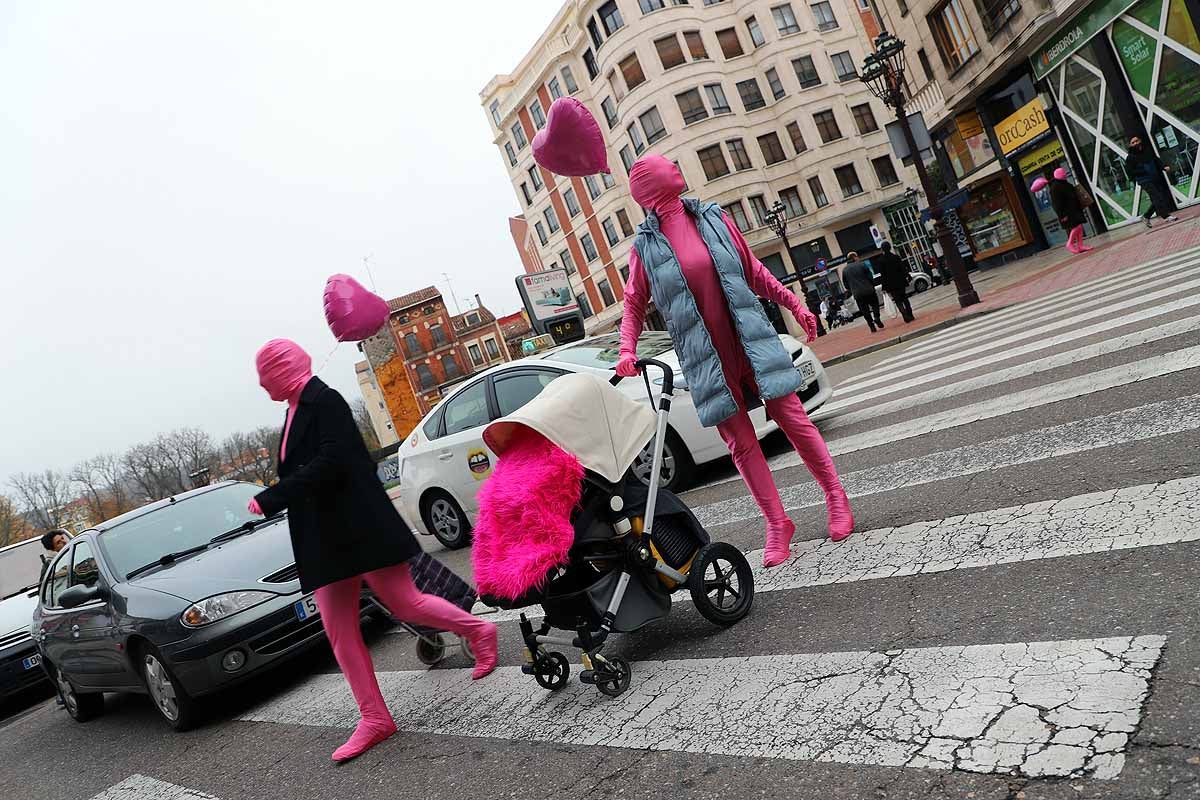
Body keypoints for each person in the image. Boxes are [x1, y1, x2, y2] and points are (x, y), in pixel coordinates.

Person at [247, 339, 498, 763]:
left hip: (361, 529)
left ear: (282, 369)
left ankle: (478, 630)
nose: (261, 384)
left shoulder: (323, 400)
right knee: (339, 632)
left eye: (264, 374)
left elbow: (335, 461)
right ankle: (375, 717)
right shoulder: (293, 411)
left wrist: (276, 495)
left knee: (406, 602)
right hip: (326, 540)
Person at [617, 155, 853, 568]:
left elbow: (752, 270)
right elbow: (634, 302)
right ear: (651, 185)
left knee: (794, 419)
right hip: (707, 359)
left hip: (751, 341)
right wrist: (626, 349)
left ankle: (835, 495)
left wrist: (794, 303)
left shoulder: (712, 217)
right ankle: (778, 523)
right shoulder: (645, 248)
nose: (676, 165)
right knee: (742, 447)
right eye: (665, 165)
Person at [1126, 136, 1179, 228]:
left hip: (1155, 177)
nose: (1135, 143)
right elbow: (1130, 172)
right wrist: (1142, 171)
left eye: (1137, 141)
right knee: (1157, 197)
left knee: (1159, 197)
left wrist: (1163, 167)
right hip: (1144, 180)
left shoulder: (1148, 152)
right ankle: (1166, 216)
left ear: (1140, 141)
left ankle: (1146, 216)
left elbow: (1156, 160)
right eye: (1133, 142)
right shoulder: (1130, 157)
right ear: (1130, 145)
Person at [1047, 167, 1093, 254]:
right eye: (1063, 173)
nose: (1064, 174)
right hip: (1067, 212)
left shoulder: (1066, 184)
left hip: (1075, 209)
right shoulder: (1055, 187)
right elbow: (1056, 204)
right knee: (1077, 227)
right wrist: (1062, 215)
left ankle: (1080, 245)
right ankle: (1070, 243)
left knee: (1079, 227)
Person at [841, 252, 884, 332]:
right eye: (857, 256)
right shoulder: (862, 265)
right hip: (869, 290)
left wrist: (852, 289)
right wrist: (871, 285)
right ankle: (876, 317)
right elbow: (870, 277)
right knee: (875, 304)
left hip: (857, 294)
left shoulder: (845, 270)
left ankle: (871, 326)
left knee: (865, 310)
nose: (858, 258)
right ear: (854, 257)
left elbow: (846, 285)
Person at [875, 242, 915, 323]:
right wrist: (908, 275)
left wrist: (884, 287)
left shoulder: (881, 261)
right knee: (904, 298)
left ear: (882, 249)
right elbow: (902, 267)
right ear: (890, 248)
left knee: (897, 300)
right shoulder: (896, 257)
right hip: (900, 281)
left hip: (890, 284)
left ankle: (905, 315)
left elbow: (883, 275)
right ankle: (910, 314)